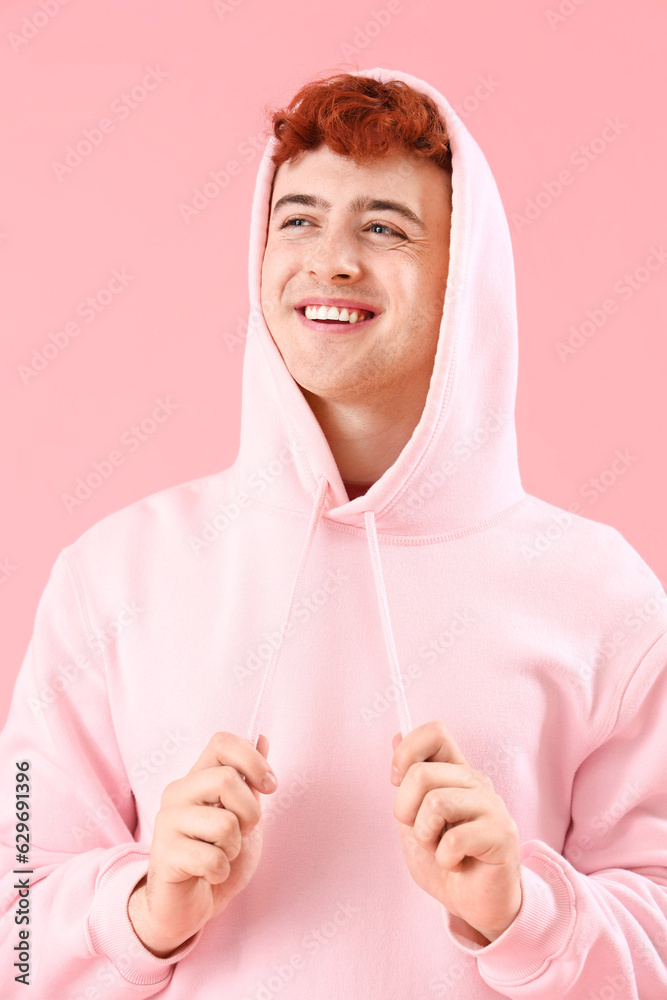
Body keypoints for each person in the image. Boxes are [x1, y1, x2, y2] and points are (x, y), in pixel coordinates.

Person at [1, 65, 667, 1000]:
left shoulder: (607, 600)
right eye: (299, 218)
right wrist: (144, 911)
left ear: (462, 275)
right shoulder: (111, 578)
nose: (330, 260)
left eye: (384, 227)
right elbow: (14, 933)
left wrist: (521, 913)